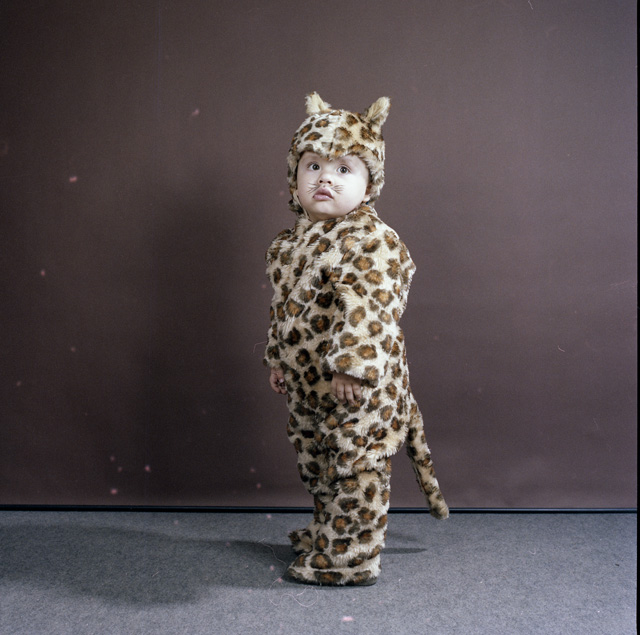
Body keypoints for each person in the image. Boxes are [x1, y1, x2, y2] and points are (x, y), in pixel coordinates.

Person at [264, 92, 448, 586]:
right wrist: (278, 359)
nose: (325, 178)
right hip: (310, 386)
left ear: (369, 186)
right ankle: (331, 531)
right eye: (313, 166)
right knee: (317, 460)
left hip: (359, 387)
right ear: (294, 179)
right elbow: (285, 311)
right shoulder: (289, 246)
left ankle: (352, 555)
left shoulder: (370, 240)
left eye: (344, 169)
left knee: (353, 462)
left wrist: (353, 366)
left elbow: (372, 308)